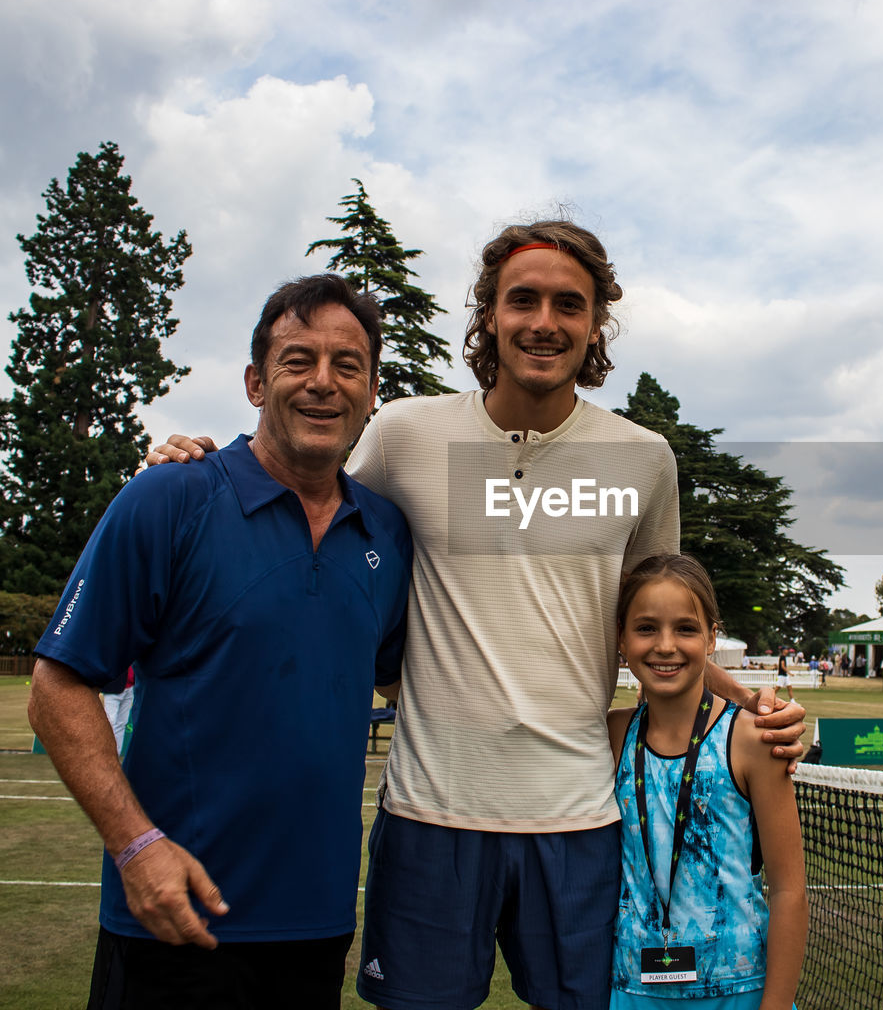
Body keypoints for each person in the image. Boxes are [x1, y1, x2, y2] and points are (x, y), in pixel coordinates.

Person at [150, 221, 807, 1010]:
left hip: (580, 822)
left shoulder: (645, 459)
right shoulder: (404, 433)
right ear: (488, 314)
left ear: (596, 324)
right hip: (430, 817)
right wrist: (201, 467)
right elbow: (305, 498)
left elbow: (664, 629)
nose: (544, 321)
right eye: (521, 299)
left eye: (570, 304)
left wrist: (753, 709)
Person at [27, 275, 413, 1009]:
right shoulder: (169, 497)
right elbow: (57, 689)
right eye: (298, 360)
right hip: (172, 921)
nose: (323, 383)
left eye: (348, 365)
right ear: (255, 382)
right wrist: (137, 848)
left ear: (372, 393)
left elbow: (409, 682)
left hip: (317, 926)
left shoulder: (387, 533)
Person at [608, 554, 807, 1010]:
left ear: (712, 636)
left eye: (685, 628)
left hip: (740, 991)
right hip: (632, 990)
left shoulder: (754, 739)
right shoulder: (613, 733)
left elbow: (789, 890)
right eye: (645, 628)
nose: (665, 645)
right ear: (620, 637)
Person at [100, 666, 135, 756]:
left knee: (122, 723)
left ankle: (116, 755)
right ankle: (106, 756)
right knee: (110, 724)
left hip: (130, 687)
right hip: (113, 688)